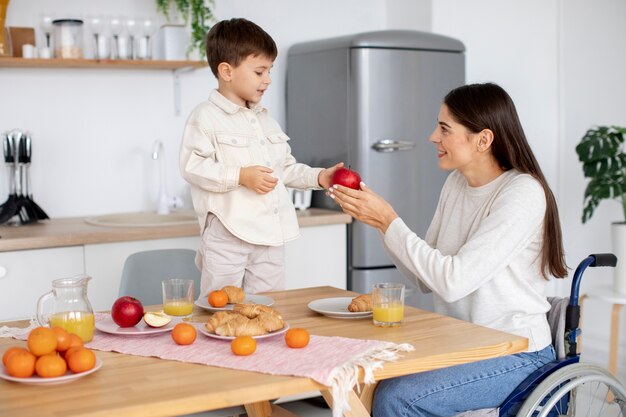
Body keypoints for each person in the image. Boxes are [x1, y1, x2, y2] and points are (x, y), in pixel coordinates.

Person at [328, 82, 568, 416]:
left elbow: (453, 283)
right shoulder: (456, 183)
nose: (432, 137)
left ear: (483, 140)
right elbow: (426, 279)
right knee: (367, 374)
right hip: (465, 342)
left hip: (515, 353)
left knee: (399, 398)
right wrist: (380, 223)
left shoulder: (522, 194)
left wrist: (389, 220)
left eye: (444, 129)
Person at [180, 18, 342, 300]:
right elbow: (193, 166)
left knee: (269, 308)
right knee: (220, 306)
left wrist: (319, 177)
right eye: (259, 71)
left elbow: (285, 169)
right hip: (228, 235)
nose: (267, 79)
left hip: (270, 236)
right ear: (227, 71)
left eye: (269, 70)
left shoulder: (265, 121)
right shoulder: (205, 116)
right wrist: (241, 176)